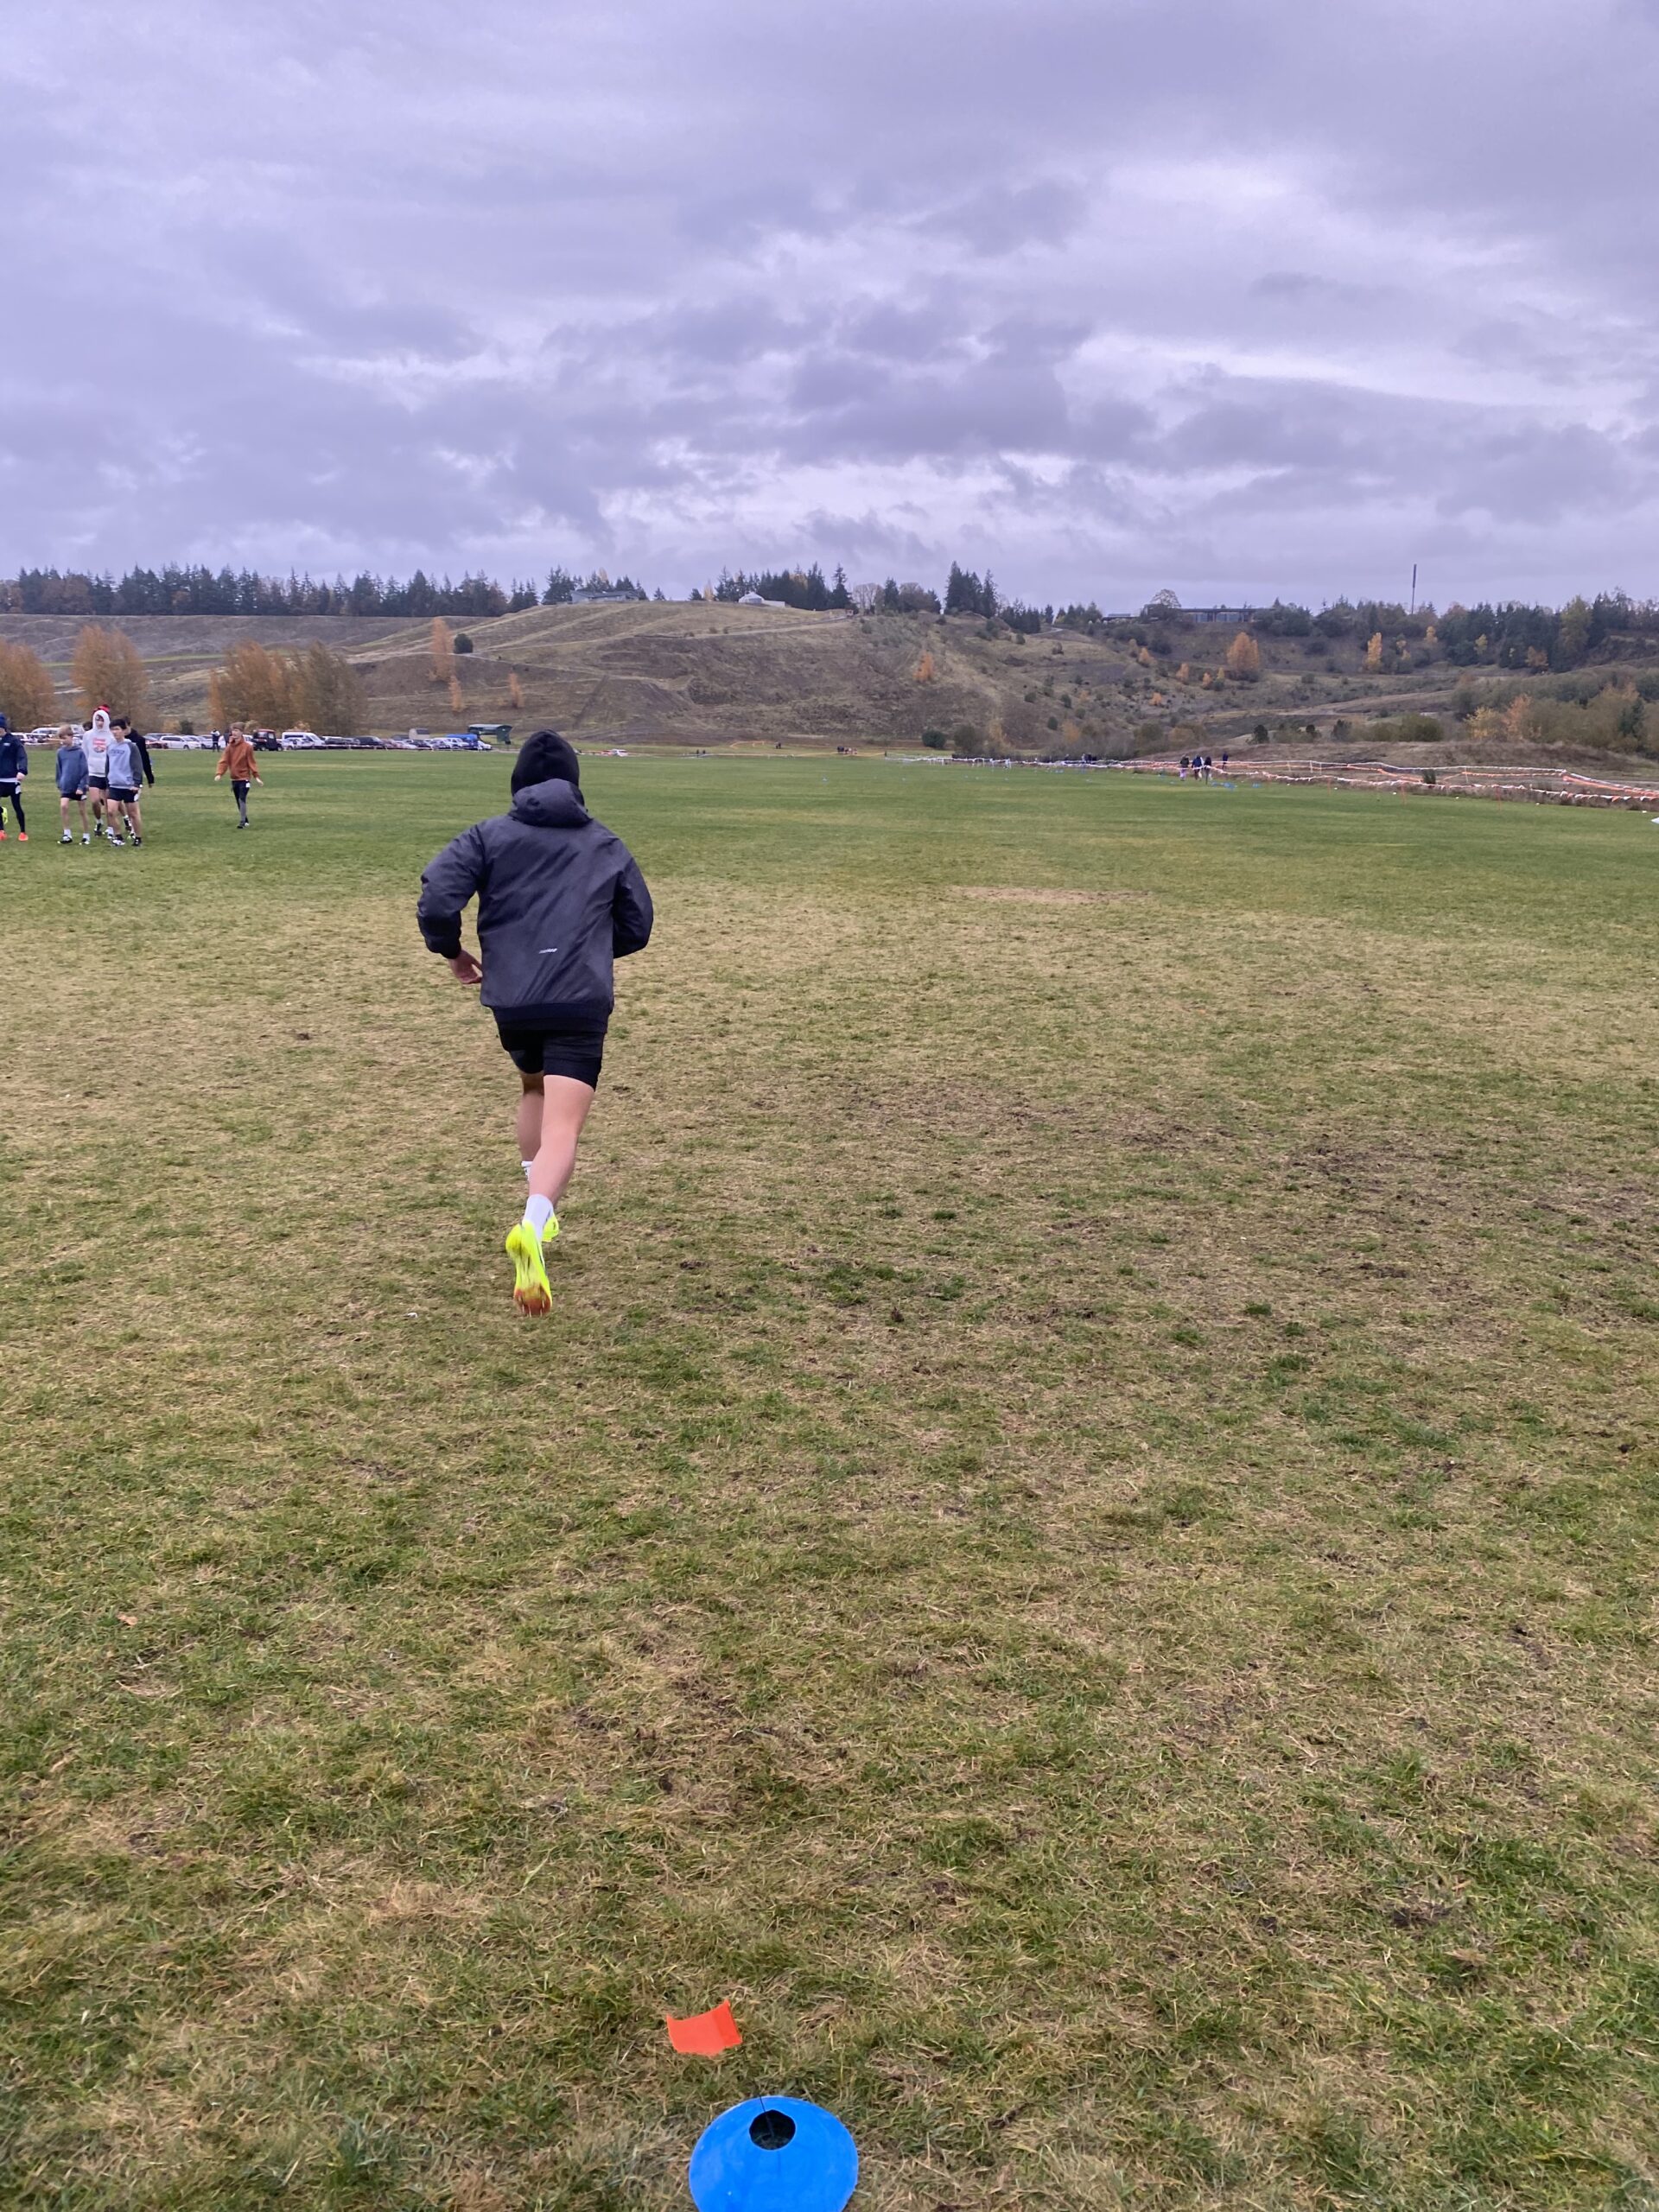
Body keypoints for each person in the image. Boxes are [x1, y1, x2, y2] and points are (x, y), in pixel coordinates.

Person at [416, 728, 653, 1313]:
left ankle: (536, 1203)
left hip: (514, 1000)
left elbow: (437, 898)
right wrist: (588, 951)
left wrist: (453, 953)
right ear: (575, 784)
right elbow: (637, 925)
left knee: (532, 1087)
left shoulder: (486, 836)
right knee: (564, 1129)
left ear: (518, 783)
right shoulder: (604, 842)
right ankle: (534, 1219)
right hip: (578, 1000)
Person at [111, 716, 155, 842]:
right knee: (114, 808)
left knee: (133, 810)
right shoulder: (114, 743)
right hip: (117, 780)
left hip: (133, 779)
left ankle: (136, 833)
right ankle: (121, 833)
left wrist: (149, 777)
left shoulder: (138, 741)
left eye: (119, 729)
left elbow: (144, 759)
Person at [105, 722, 146, 846]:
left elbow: (137, 765)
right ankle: (118, 837)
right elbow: (108, 765)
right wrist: (107, 782)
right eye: (112, 730)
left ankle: (138, 838)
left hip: (128, 785)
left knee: (133, 814)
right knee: (111, 812)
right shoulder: (110, 746)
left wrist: (137, 783)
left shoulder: (131, 746)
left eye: (117, 729)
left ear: (123, 731)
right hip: (114, 785)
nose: (114, 732)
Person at [214, 723, 261, 824]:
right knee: (238, 801)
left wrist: (256, 776)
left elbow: (251, 762)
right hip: (234, 779)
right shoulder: (229, 747)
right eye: (233, 730)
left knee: (241, 798)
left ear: (241, 732)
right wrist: (219, 773)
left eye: (236, 730)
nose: (234, 733)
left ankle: (242, 822)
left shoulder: (247, 747)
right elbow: (224, 761)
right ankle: (246, 821)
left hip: (244, 779)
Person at [55, 724, 91, 842]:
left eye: (64, 738)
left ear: (71, 737)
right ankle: (67, 834)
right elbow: (59, 769)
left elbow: (84, 771)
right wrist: (60, 783)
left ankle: (86, 835)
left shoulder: (79, 752)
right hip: (66, 785)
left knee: (82, 811)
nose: (63, 741)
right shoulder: (60, 752)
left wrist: (81, 786)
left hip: (78, 787)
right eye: (61, 738)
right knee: (63, 806)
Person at [0, 716, 28, 842]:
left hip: (12, 780)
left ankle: (23, 832)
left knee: (16, 806)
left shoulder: (13, 741)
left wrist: (22, 770)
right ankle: (1, 831)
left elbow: (22, 757)